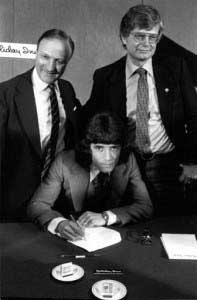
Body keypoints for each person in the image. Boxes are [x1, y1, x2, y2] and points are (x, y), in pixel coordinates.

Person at [84, 4, 197, 217]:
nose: (146, 43)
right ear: (124, 37)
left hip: (168, 168)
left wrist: (193, 162)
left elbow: (195, 117)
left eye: (152, 37)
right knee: (126, 231)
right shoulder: (105, 76)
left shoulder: (176, 69)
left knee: (168, 229)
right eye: (139, 36)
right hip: (124, 168)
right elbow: (92, 123)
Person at [27, 112, 152, 240]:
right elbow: (37, 205)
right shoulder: (64, 161)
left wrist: (106, 216)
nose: (108, 158)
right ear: (87, 147)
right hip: (71, 239)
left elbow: (145, 206)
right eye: (99, 148)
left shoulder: (128, 160)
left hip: (112, 239)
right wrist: (59, 224)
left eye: (114, 148)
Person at [0, 29, 82, 221]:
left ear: (67, 62)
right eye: (45, 57)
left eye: (59, 61)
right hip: (14, 201)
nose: (51, 66)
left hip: (57, 199)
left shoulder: (67, 90)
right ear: (36, 53)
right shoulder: (6, 93)